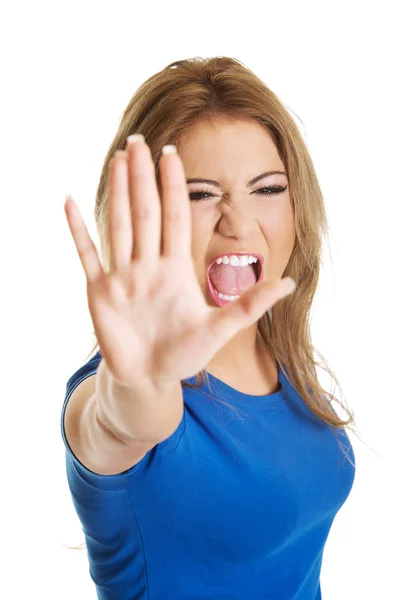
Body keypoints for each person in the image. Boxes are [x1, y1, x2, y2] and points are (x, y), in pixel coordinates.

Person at [61, 57, 357, 600]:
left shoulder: (279, 353)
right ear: (144, 211)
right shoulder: (120, 386)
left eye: (267, 189)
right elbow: (116, 424)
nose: (239, 223)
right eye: (198, 194)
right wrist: (136, 390)